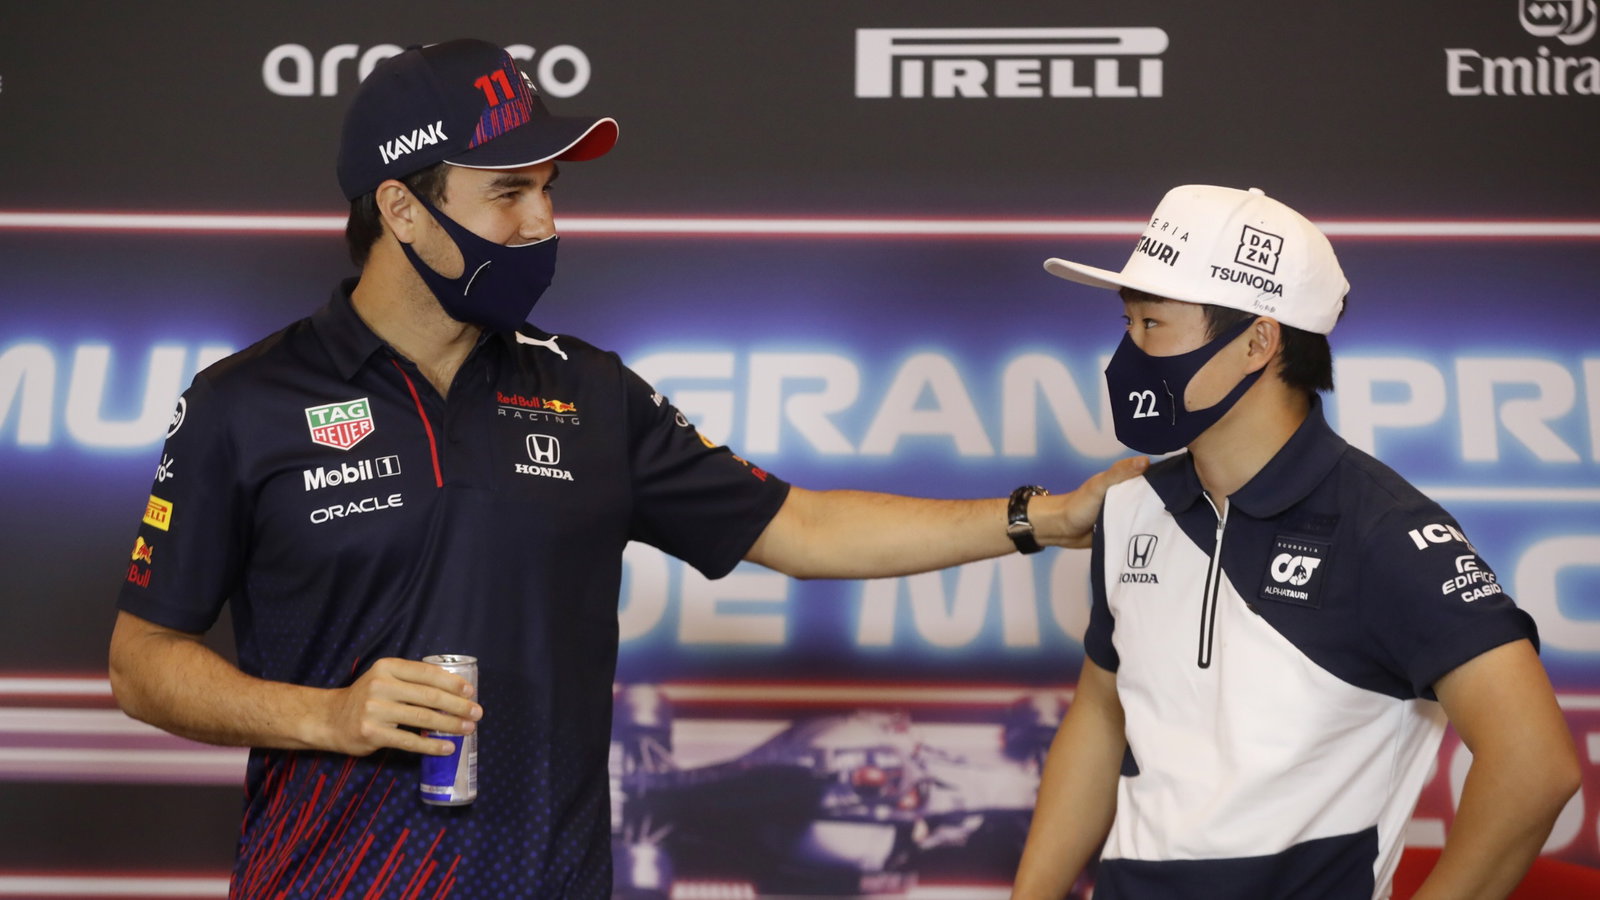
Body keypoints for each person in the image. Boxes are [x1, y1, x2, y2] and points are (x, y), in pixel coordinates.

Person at [107, 39, 1142, 898]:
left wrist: (1041, 518)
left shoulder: (591, 392)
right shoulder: (246, 400)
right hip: (325, 882)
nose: (545, 223)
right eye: (508, 191)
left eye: (549, 189)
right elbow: (141, 662)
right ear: (403, 208)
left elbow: (801, 527)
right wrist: (321, 715)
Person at [1010, 185, 1581, 899]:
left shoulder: (1385, 529)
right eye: (1126, 322)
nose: (1130, 353)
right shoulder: (1129, 508)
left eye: (1153, 323)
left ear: (1259, 339)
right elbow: (1100, 714)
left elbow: (1535, 766)